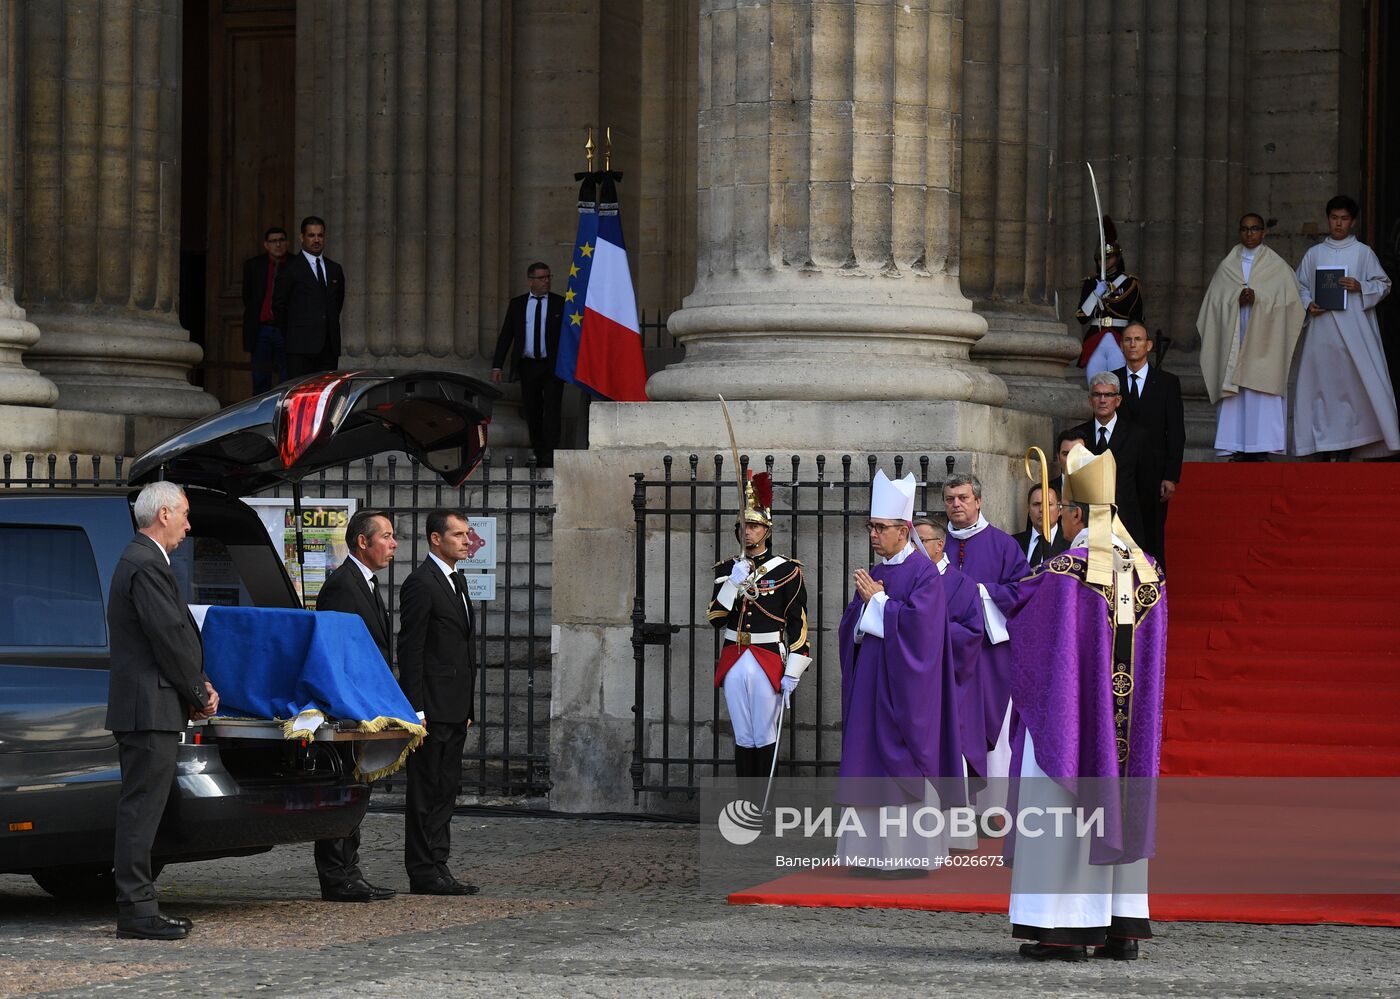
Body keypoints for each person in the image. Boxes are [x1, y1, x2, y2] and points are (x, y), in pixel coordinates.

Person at [1006, 443, 1166, 962]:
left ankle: (1066, 931)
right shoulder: (1149, 572)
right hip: (1127, 726)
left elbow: (1035, 641)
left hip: (1074, 723)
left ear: (1076, 513)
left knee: (1058, 804)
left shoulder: (1067, 572)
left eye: (1065, 512)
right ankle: (1120, 929)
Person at [106, 482, 219, 940]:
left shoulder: (144, 559)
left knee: (145, 808)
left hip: (152, 705)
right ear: (165, 514)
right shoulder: (145, 562)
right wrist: (197, 690)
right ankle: (136, 910)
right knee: (141, 810)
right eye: (186, 514)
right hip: (148, 708)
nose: (189, 525)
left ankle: (140, 904)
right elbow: (168, 635)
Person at [836, 472, 963, 874]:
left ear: (904, 530)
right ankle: (866, 853)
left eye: (880, 527)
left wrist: (878, 604)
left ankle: (909, 854)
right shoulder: (879, 570)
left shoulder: (923, 574)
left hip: (906, 692)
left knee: (901, 763)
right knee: (868, 759)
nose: (873, 534)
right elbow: (850, 625)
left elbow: (923, 634)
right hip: (872, 685)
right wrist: (864, 612)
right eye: (871, 526)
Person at [311, 509, 399, 902]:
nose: (393, 544)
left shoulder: (366, 583)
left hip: (367, 706)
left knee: (356, 788)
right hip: (349, 709)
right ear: (362, 542)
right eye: (386, 536)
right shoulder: (342, 586)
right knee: (342, 788)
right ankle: (337, 874)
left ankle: (350, 870)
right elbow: (337, 653)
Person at [397, 509, 481, 896]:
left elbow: (462, 649)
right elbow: (411, 649)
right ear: (436, 539)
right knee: (425, 789)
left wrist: (467, 710)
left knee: (446, 788)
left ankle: (439, 864)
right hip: (431, 707)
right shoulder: (421, 583)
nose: (466, 541)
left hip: (455, 707)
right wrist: (417, 709)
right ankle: (422, 869)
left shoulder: (456, 579)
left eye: (467, 535)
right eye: (459, 535)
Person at [708, 472, 811, 789]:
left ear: (767, 530)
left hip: (768, 658)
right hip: (734, 657)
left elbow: (798, 623)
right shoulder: (728, 568)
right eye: (744, 526)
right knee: (743, 734)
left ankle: (766, 805)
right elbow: (716, 617)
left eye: (754, 526)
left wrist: (794, 669)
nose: (748, 532)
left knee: (765, 735)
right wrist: (733, 584)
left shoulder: (787, 569)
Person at [941, 473, 1029, 811]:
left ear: (978, 501)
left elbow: (1022, 592)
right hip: (948, 650)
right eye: (950, 499)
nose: (956, 504)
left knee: (993, 723)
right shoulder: (935, 545)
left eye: (963, 497)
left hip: (990, 654)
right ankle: (954, 805)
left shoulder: (1004, 545)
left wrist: (979, 592)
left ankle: (991, 807)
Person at [1293, 195, 1400, 460]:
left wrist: (1360, 286)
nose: (1338, 223)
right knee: (1322, 387)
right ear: (1328, 219)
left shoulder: (1363, 252)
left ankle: (1349, 446)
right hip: (1322, 331)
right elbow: (1299, 286)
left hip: (1355, 332)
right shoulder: (1314, 254)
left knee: (1353, 389)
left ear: (1352, 222)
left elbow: (1384, 284)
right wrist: (1308, 303)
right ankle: (1321, 447)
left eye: (1343, 219)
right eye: (1334, 218)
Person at [1196, 213, 1305, 460]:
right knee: (1235, 390)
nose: (1249, 234)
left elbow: (1291, 305)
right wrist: (1236, 300)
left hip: (1264, 341)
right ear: (1239, 232)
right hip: (1234, 336)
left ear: (1263, 232)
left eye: (1255, 229)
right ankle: (1234, 445)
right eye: (1244, 229)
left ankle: (1262, 447)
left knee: (1261, 390)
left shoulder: (1276, 266)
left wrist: (1260, 300)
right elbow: (1213, 305)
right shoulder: (1227, 266)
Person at [914, 516, 988, 829]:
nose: (913, 548)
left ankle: (954, 828)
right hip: (914, 684)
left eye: (919, 542)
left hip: (950, 684)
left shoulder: (962, 584)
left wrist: (931, 632)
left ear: (938, 545)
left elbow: (973, 633)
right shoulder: (909, 579)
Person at [1113, 323, 1184, 561]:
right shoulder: (1112, 381)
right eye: (1128, 340)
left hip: (1154, 473)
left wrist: (1171, 476)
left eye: (1138, 339)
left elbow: (1175, 432)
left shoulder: (1167, 383)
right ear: (1121, 345)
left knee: (1153, 535)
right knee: (1121, 534)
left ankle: (1154, 592)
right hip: (1121, 472)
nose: (1133, 344)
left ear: (1148, 345)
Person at [491, 261, 566, 467]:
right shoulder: (518, 304)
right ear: (530, 281)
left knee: (552, 411)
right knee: (532, 411)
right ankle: (538, 451)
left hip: (552, 366)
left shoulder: (561, 303)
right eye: (542, 278)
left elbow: (570, 337)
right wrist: (497, 365)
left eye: (549, 277)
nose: (546, 281)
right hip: (528, 365)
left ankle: (549, 456)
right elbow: (506, 336)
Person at [1071, 373, 1149, 554]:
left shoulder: (1137, 436)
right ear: (1090, 400)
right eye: (1097, 395)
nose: (1103, 400)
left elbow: (1145, 487)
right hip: (1085, 524)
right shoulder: (1077, 436)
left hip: (1125, 523)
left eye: (1109, 395)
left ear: (1118, 400)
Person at [273, 215, 346, 379]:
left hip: (329, 347)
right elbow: (279, 306)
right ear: (302, 237)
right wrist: (294, 334)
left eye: (320, 235)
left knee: (326, 395)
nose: (316, 240)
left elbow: (336, 303)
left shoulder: (335, 269)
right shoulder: (290, 269)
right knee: (301, 396)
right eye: (311, 235)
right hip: (300, 348)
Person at [1075, 216, 1144, 382]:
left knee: (1118, 388)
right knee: (1095, 386)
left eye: (1108, 257)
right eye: (1100, 258)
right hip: (1095, 338)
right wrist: (1095, 294)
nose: (1104, 261)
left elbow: (1136, 319)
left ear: (1117, 257)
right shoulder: (1091, 283)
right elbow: (1081, 317)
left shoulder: (1129, 283)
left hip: (1119, 340)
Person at [241, 226, 292, 392]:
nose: (278, 245)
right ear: (266, 245)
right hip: (261, 329)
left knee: (288, 378)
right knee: (260, 378)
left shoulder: (296, 264)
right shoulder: (254, 265)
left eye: (281, 240)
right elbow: (247, 297)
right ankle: (261, 415)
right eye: (273, 241)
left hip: (286, 330)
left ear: (287, 243)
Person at [1011, 483, 1069, 569]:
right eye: (1036, 504)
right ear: (1028, 510)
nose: (1042, 509)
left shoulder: (1071, 544)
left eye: (1048, 504)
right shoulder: (1013, 543)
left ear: (1060, 509)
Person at [1053, 429, 1087, 498]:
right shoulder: (1045, 489)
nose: (1071, 459)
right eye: (1066, 454)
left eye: (1077, 454)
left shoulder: (1099, 489)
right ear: (1058, 457)